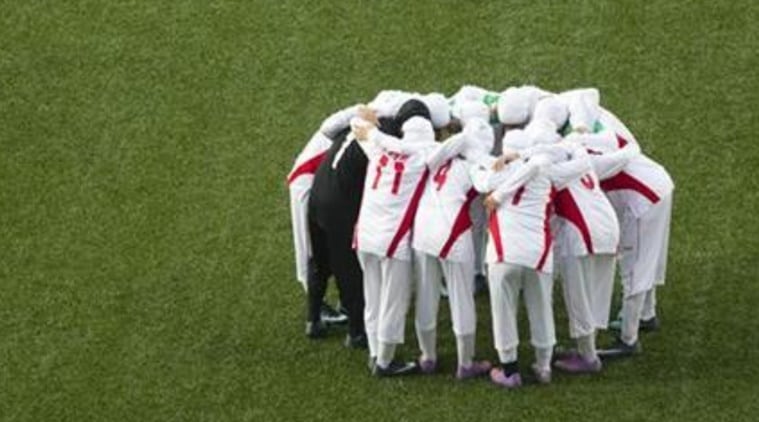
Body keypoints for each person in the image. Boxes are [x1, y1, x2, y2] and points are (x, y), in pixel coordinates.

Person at [352, 99, 453, 376]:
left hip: (365, 235)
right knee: (393, 304)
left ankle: (375, 353)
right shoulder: (425, 156)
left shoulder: (378, 150)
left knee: (372, 298)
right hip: (392, 241)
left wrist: (374, 124)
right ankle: (385, 362)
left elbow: (357, 122)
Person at [411, 103, 495, 380]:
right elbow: (488, 185)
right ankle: (465, 363)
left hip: (422, 232)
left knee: (426, 295)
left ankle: (428, 357)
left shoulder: (435, 156)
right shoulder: (473, 165)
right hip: (453, 234)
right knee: (462, 298)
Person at [475, 129, 556, 388]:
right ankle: (544, 367)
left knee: (503, 311)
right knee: (542, 308)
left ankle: (510, 371)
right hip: (539, 253)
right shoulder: (544, 173)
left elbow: (479, 182)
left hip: (504, 252)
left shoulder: (497, 174)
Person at [304, 104, 373, 346]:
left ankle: (313, 319)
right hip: (338, 206)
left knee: (320, 261)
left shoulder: (348, 131)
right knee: (349, 269)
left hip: (316, 199)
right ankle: (356, 332)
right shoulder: (374, 143)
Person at [287, 117, 351, 327]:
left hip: (315, 185)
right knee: (309, 249)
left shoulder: (339, 132)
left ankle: (340, 300)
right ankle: (317, 308)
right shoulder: (336, 135)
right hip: (305, 186)